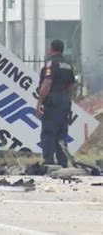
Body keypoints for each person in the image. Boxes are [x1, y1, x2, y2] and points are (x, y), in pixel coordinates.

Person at [35, 39, 76, 167]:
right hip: (65, 100)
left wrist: (39, 102)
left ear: (52, 49)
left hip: (53, 100)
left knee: (48, 131)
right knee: (62, 133)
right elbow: (71, 86)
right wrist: (67, 99)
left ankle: (49, 161)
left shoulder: (51, 63)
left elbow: (47, 83)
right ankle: (63, 162)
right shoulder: (68, 65)